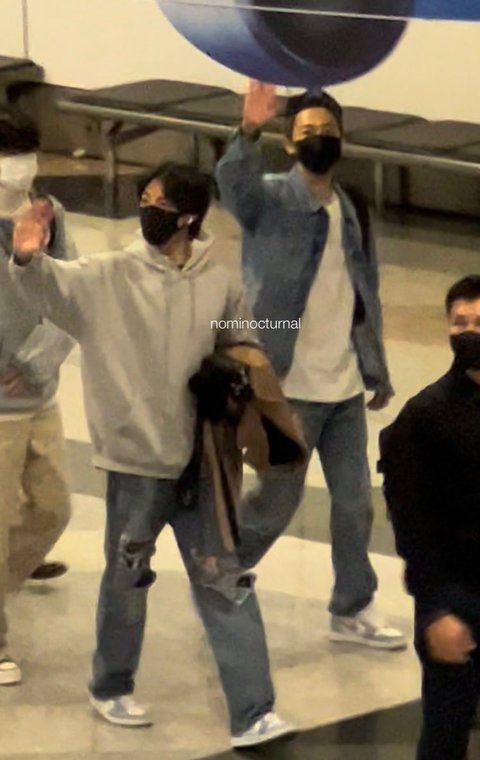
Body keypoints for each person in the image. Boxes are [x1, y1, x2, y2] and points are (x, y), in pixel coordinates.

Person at [9, 162, 294, 748]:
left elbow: (242, 336)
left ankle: (254, 712)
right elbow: (51, 287)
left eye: (157, 202)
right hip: (136, 462)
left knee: (225, 580)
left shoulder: (218, 277)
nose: (145, 210)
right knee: (127, 579)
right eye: (143, 198)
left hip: (204, 460)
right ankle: (111, 684)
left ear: (188, 218)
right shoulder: (108, 275)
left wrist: (243, 368)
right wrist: (26, 258)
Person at [215, 80, 406, 649]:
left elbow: (363, 292)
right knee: (275, 504)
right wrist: (248, 129)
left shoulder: (352, 207)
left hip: (342, 388)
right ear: (290, 142)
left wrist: (374, 366)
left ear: (343, 139)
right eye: (308, 131)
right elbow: (232, 184)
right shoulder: (270, 199)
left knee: (354, 504)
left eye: (328, 130)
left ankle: (351, 607)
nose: (319, 138)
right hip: (287, 388)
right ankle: (221, 573)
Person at [379, 275, 480, 760]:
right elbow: (411, 526)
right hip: (455, 592)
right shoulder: (423, 417)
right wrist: (435, 610)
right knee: (446, 730)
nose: (469, 332)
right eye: (460, 323)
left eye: (479, 322)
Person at [0, 116, 75, 686]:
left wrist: (36, 364)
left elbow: (73, 296)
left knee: (52, 509)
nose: (18, 166)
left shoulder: (50, 214)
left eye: (26, 152)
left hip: (39, 394)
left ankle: (6, 583)